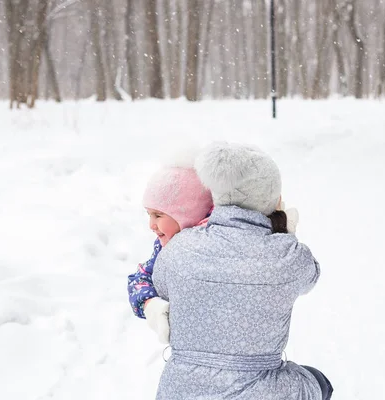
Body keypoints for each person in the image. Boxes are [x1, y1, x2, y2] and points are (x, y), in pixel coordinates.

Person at [152, 142, 333, 400]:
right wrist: (284, 233)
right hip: (260, 391)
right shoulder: (287, 254)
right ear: (271, 198)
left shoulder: (180, 246)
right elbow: (311, 276)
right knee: (317, 382)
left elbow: (161, 285)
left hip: (179, 391)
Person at [127, 160, 213, 343]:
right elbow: (141, 277)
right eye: (148, 214)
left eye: (158, 215)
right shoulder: (165, 247)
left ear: (188, 213)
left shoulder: (216, 244)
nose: (151, 225)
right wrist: (150, 304)